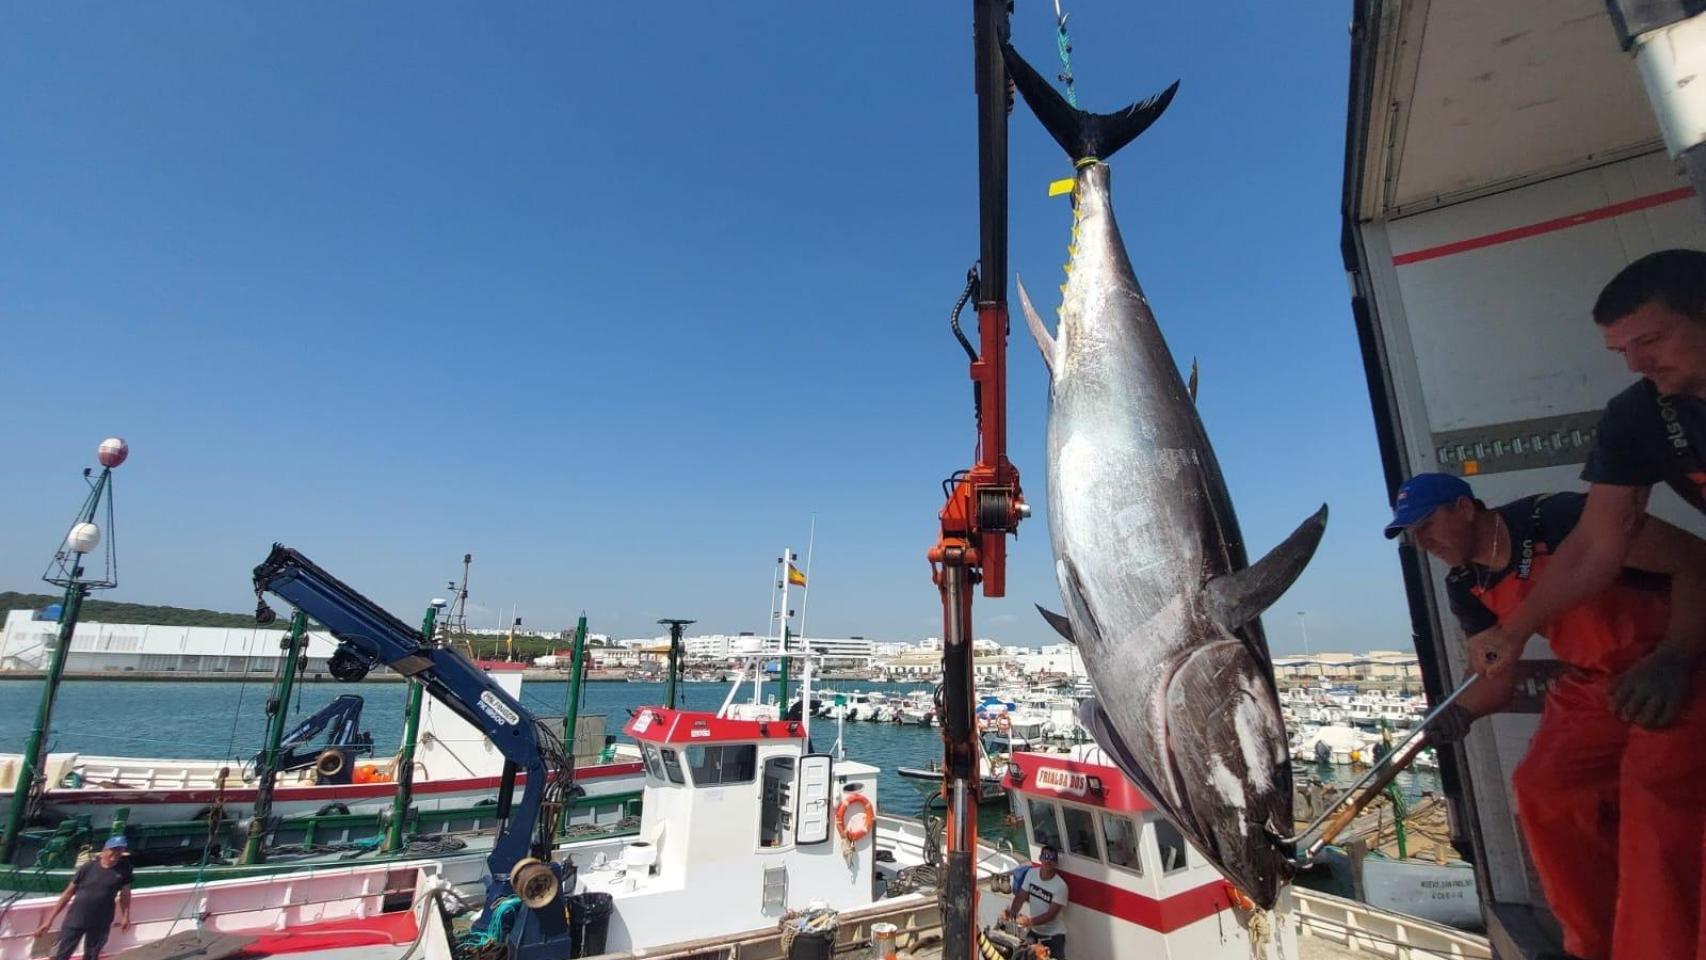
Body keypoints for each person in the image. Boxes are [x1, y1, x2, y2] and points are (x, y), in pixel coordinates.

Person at [1385, 472, 1706, 959]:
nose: (1423, 542)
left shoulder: (1558, 519)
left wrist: (1676, 658)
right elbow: (1496, 679)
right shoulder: (1465, 585)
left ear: (1465, 507)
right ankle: (1592, 946)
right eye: (1413, 534)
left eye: (1428, 524)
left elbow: (1696, 562)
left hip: (1678, 663)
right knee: (1542, 790)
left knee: (1654, 800)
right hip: (1595, 683)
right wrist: (1455, 716)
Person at [1470, 249, 1706, 688]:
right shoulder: (1638, 416)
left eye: (1651, 341)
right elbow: (1597, 543)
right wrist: (1515, 631)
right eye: (1622, 351)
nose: (1635, 364)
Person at [34, 836, 133, 960]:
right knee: (61, 953)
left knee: (92, 955)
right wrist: (48, 920)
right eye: (114, 849)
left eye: (120, 850)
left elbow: (125, 894)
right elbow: (67, 894)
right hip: (76, 918)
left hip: (101, 921)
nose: (117, 853)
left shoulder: (125, 869)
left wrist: (125, 916)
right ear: (105, 850)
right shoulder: (88, 867)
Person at [1002, 844, 1069, 958]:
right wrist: (1011, 914)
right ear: (1040, 858)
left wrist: (1029, 922)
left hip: (1054, 937)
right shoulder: (1031, 873)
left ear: (1056, 863)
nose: (1048, 861)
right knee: (1018, 956)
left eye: (1052, 859)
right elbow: (1021, 896)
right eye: (1045, 857)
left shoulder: (1061, 886)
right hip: (1034, 933)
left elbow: (1051, 915)